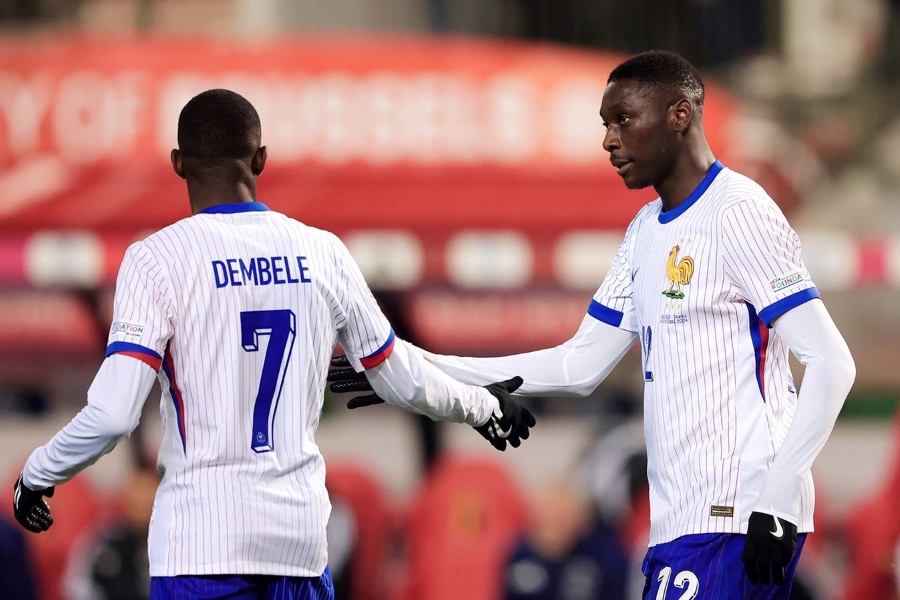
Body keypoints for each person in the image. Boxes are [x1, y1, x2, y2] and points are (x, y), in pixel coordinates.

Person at [329, 51, 856, 599]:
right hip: (680, 523)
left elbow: (830, 362)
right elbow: (578, 363)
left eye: (623, 120)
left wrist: (778, 494)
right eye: (605, 124)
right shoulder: (646, 230)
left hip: (735, 517)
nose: (609, 140)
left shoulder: (739, 210)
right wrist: (413, 367)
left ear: (680, 116)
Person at [10, 88, 535, 600]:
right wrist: (483, 404)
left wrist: (38, 473)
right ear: (260, 158)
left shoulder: (156, 261)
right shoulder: (322, 251)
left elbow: (113, 416)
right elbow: (397, 374)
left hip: (200, 545)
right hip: (298, 545)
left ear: (177, 163)